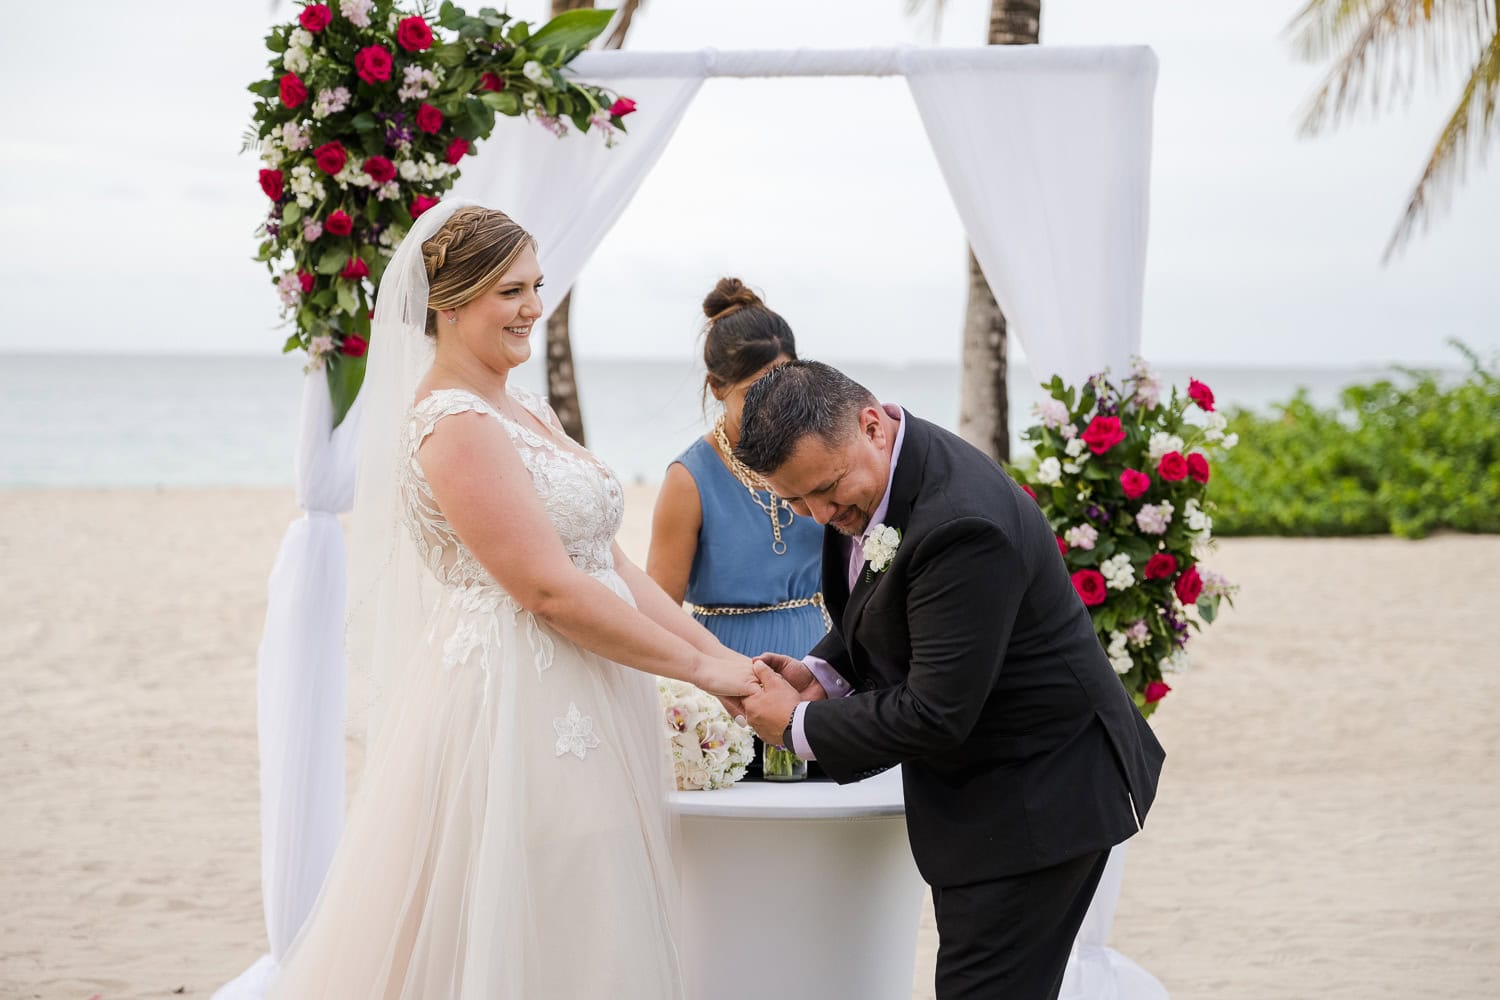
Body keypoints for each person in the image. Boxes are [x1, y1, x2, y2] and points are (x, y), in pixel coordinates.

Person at [267, 201, 758, 999]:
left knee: (591, 903)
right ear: (451, 304)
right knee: (540, 902)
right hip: (517, 696)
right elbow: (546, 589)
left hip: (592, 680)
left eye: (536, 286)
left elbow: (609, 565)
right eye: (510, 291)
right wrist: (704, 676)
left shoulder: (524, 404)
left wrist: (723, 658)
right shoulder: (452, 424)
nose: (533, 307)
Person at [734, 360, 1166, 1000]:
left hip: (1038, 794)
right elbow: (889, 610)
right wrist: (821, 673)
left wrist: (796, 726)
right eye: (793, 501)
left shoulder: (964, 522)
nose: (818, 513)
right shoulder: (875, 478)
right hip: (1005, 783)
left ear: (873, 426)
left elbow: (936, 711)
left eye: (825, 490)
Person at [646, 278, 828, 778]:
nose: (775, 404)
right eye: (754, 392)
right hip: (726, 695)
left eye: (785, 382)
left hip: (822, 681)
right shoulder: (689, 479)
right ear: (716, 388)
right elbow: (659, 609)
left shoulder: (821, 455)